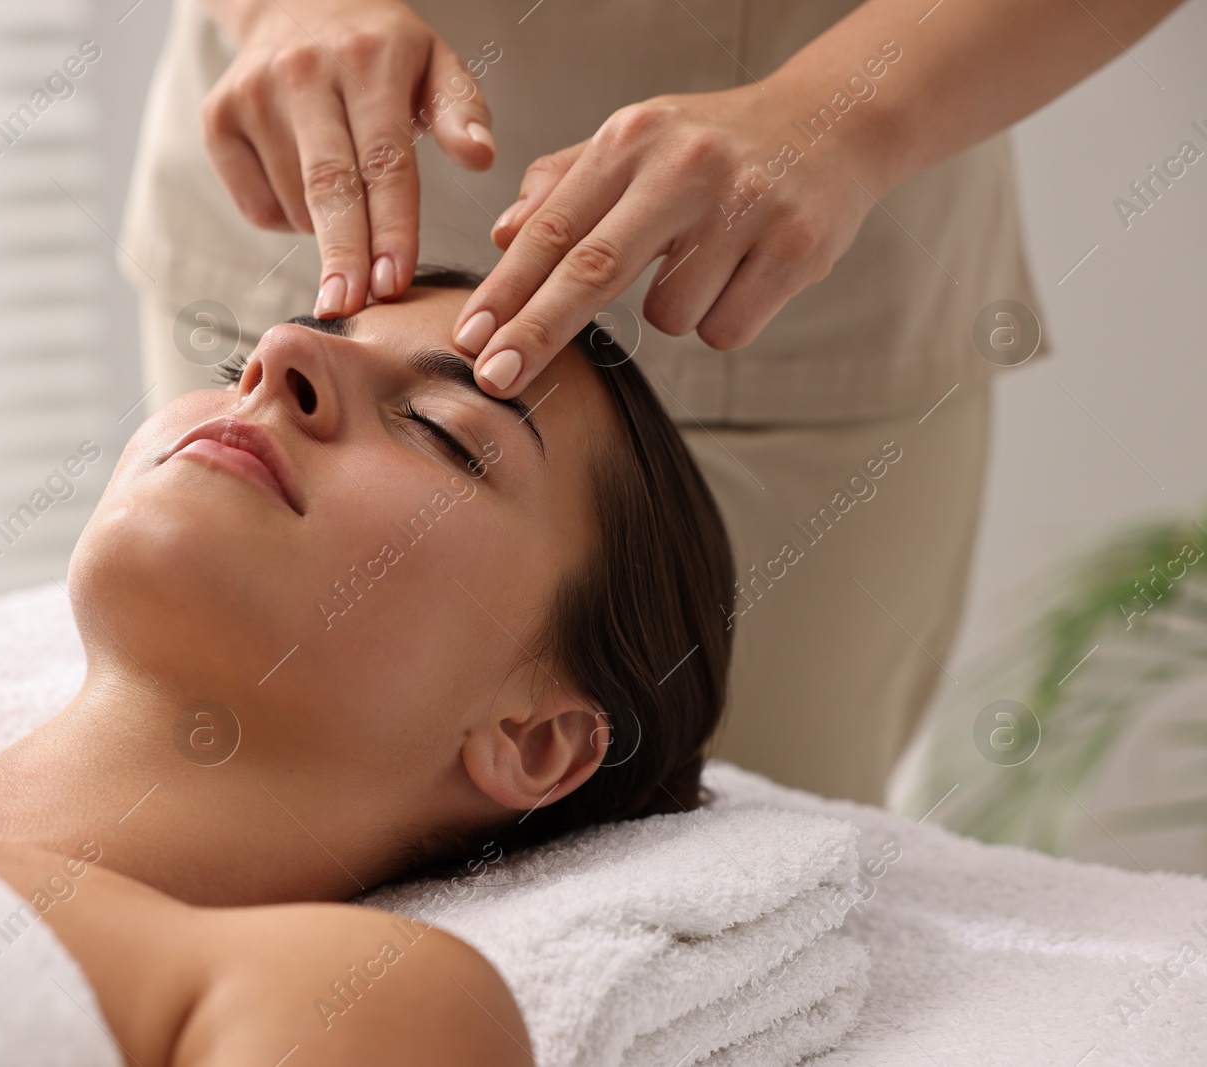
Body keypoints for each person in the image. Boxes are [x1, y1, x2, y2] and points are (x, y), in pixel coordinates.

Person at [0, 271, 735, 1064]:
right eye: (240, 354)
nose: (280, 359)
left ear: (535, 736)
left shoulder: (353, 994)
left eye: (439, 427)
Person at [119, 0, 1186, 804]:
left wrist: (842, 109)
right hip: (296, 162)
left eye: (450, 432)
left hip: (772, 289)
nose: (278, 368)